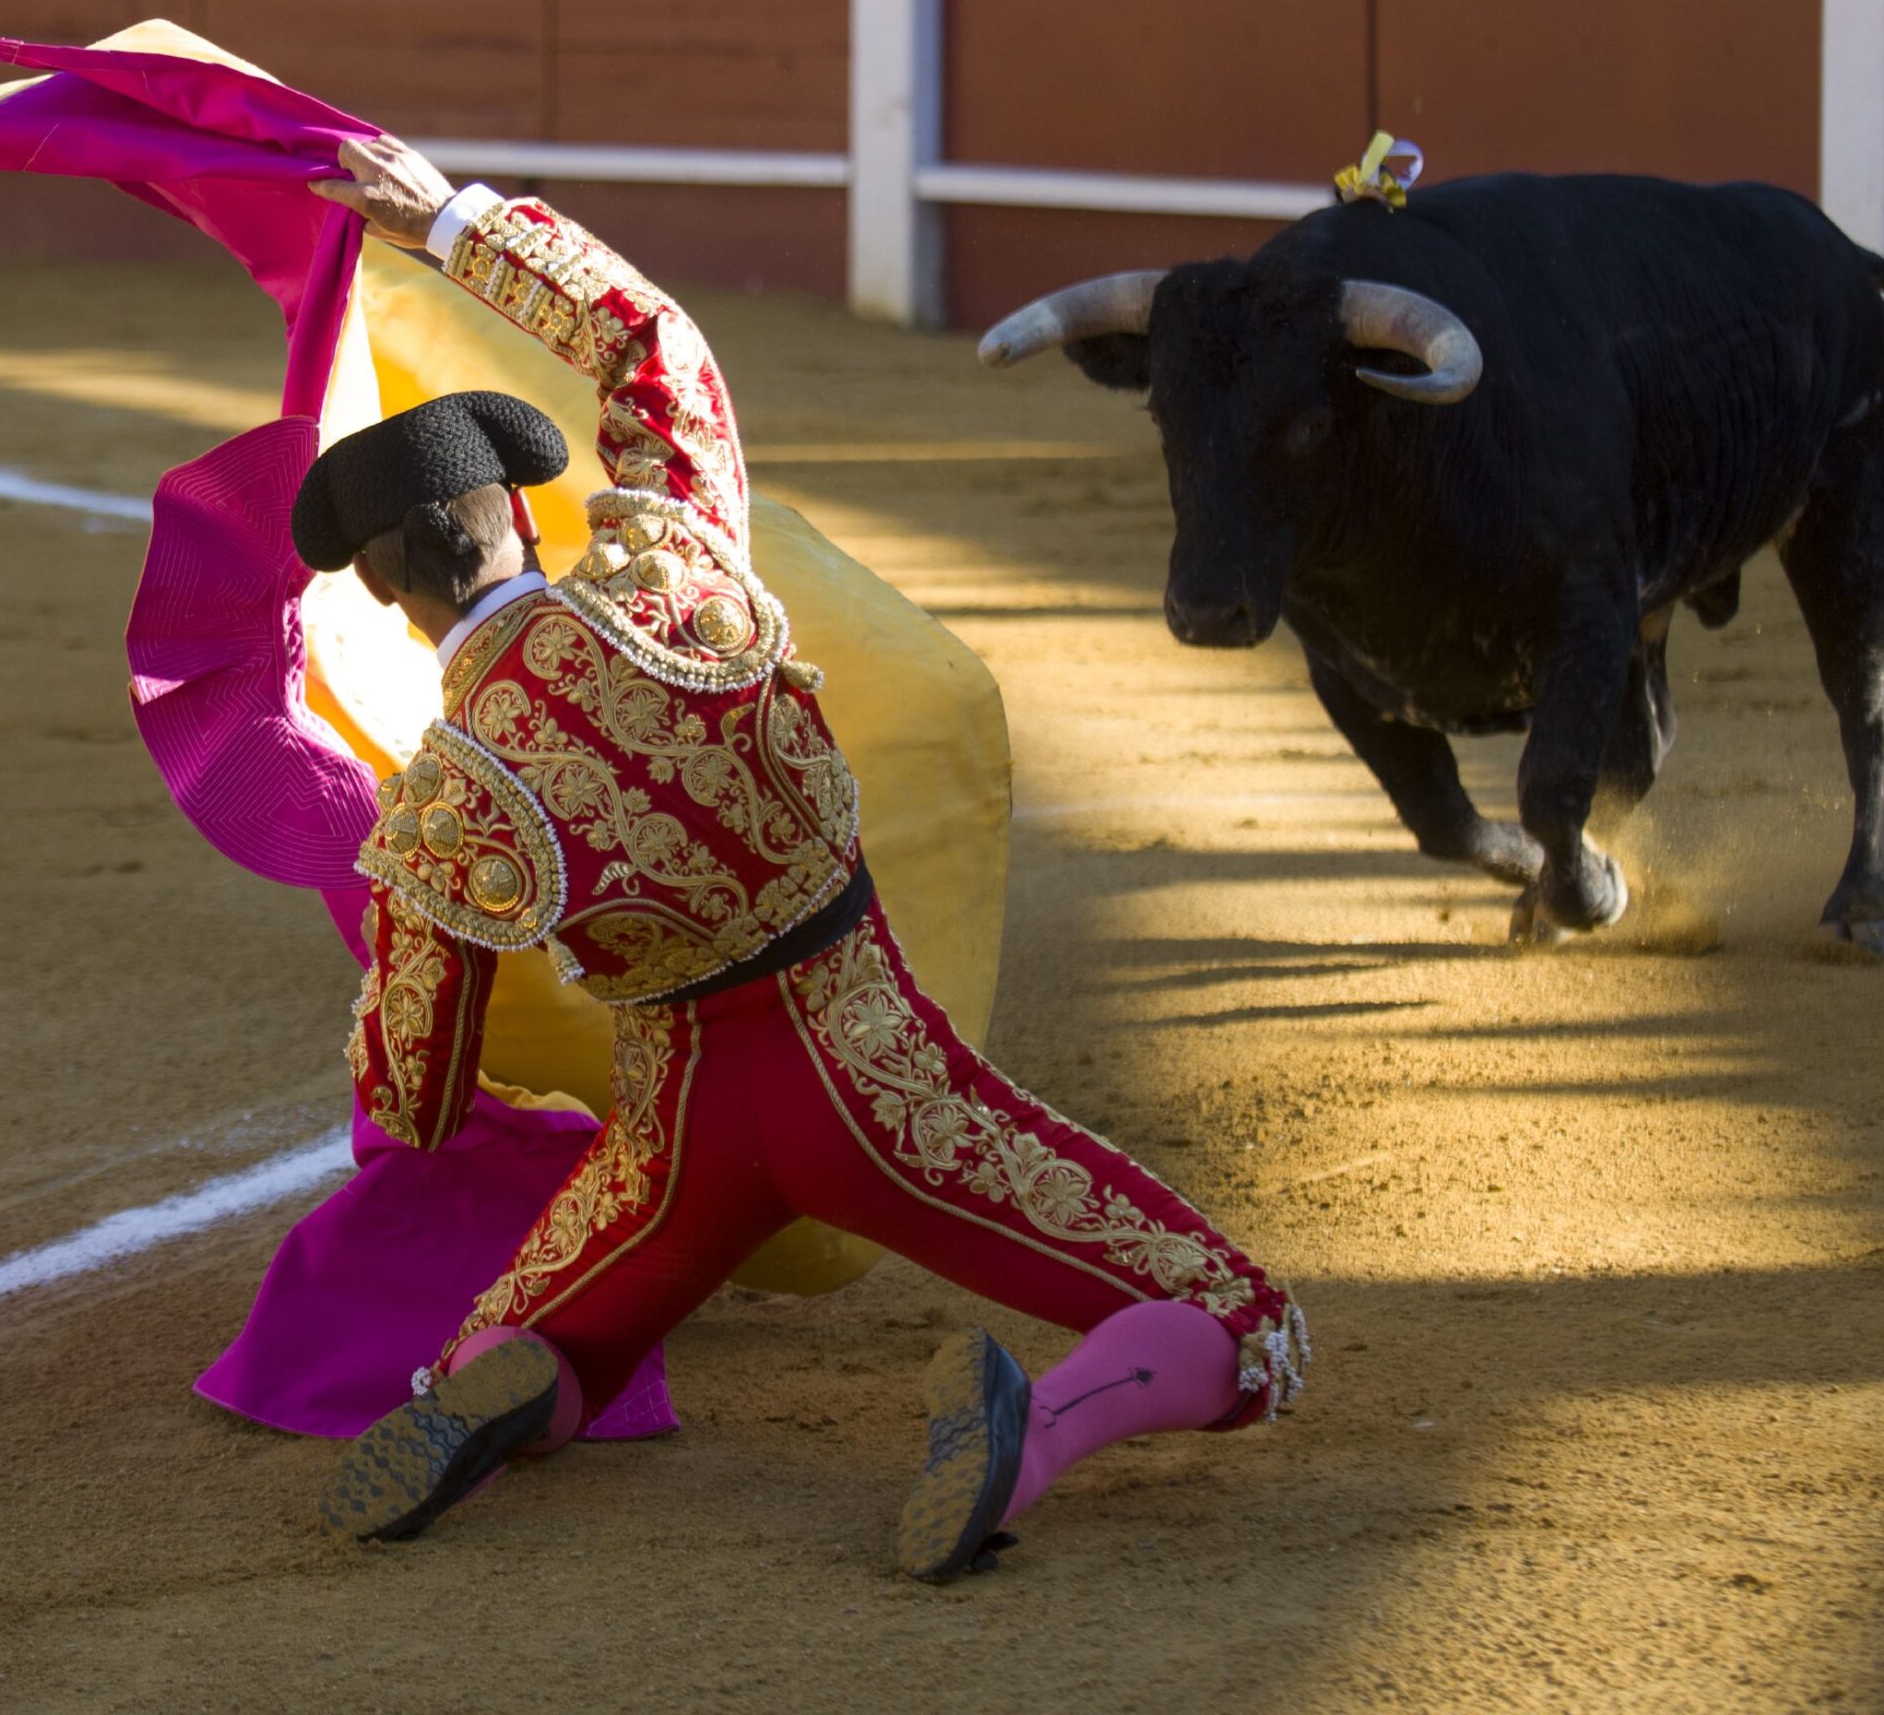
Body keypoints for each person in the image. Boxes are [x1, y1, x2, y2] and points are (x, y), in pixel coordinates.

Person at [299, 136, 1305, 1581]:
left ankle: (522, 1386)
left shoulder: (446, 808)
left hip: (680, 1134)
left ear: (390, 601)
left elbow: (414, 1092)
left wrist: (424, 899)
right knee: (1242, 1328)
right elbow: (658, 347)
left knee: (513, 1340)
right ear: (516, 511)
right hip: (875, 1075)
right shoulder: (677, 567)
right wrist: (451, 219)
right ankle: (1045, 1431)